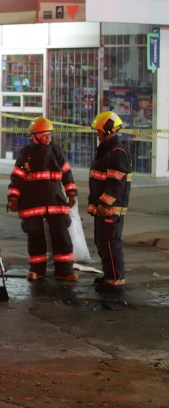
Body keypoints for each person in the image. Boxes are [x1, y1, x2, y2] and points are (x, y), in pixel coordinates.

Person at [7, 117, 78, 281]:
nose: (49, 137)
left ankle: (65, 271)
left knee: (61, 236)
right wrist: (13, 198)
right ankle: (37, 271)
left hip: (55, 202)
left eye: (49, 134)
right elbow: (16, 178)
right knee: (35, 237)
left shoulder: (57, 152)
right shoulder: (26, 154)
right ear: (34, 136)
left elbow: (67, 175)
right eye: (45, 135)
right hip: (32, 203)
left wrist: (71, 193)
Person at [88, 111, 131, 293]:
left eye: (99, 131)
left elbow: (116, 184)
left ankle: (115, 281)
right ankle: (109, 276)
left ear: (107, 131)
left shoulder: (117, 152)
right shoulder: (107, 150)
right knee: (102, 242)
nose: (97, 135)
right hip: (103, 208)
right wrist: (95, 204)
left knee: (110, 243)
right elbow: (99, 181)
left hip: (111, 209)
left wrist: (105, 204)